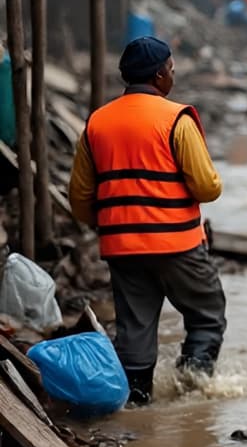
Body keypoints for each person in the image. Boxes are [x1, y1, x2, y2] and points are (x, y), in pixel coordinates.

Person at [69, 38, 226, 406]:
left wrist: (111, 223)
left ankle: (138, 405)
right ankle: (194, 395)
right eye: (171, 69)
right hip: (178, 246)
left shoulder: (97, 122)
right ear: (158, 75)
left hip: (122, 248)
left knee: (135, 330)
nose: (173, 75)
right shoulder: (176, 119)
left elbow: (79, 197)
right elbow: (206, 187)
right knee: (206, 313)